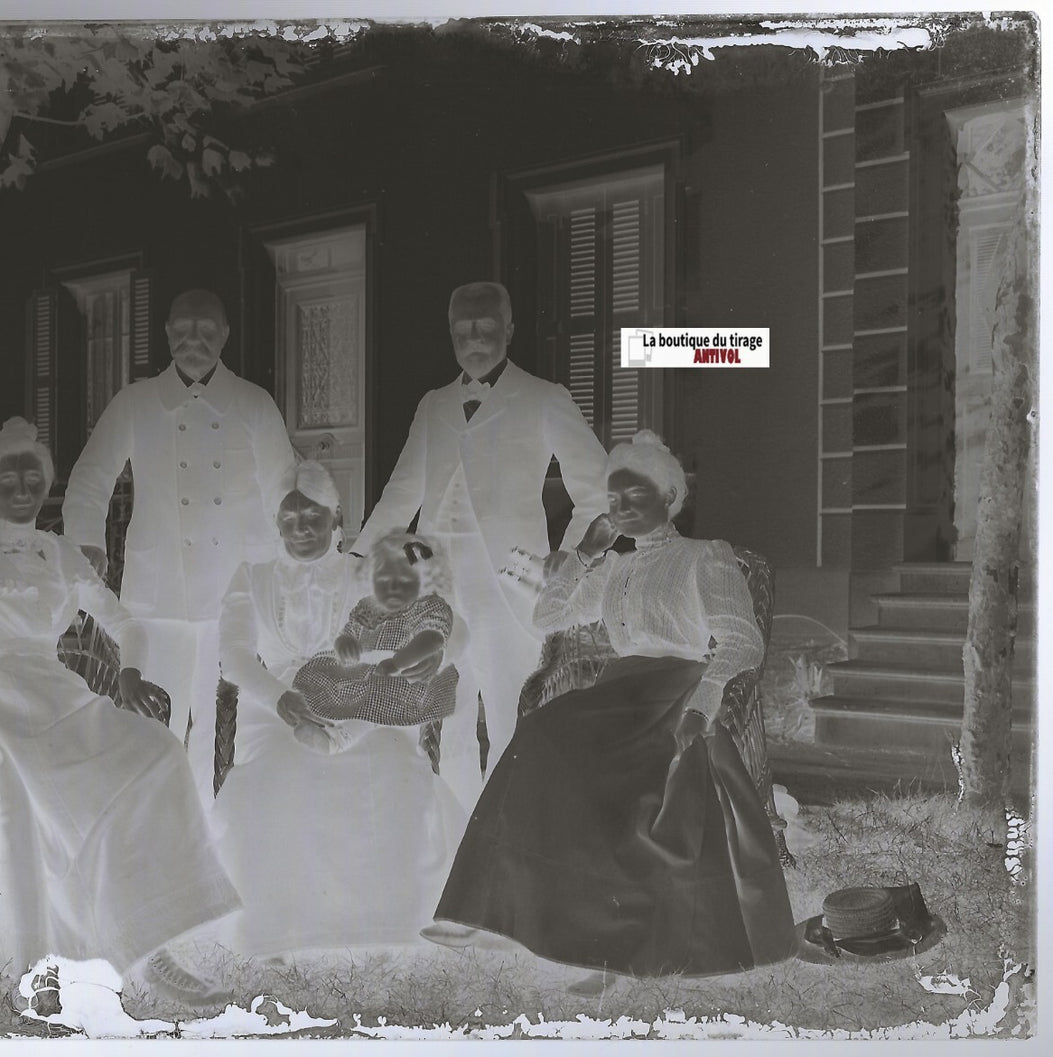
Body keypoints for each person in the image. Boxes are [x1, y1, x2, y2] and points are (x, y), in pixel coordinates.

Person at [0, 418, 240, 1007]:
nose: (23, 484)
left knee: (157, 751)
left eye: (33, 473)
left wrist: (129, 674)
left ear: (46, 483)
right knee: (52, 789)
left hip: (60, 692)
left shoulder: (62, 556)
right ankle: (133, 952)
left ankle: (153, 933)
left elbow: (125, 623)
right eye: (9, 474)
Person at [424, 431, 797, 985]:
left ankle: (614, 947)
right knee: (541, 735)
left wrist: (703, 702)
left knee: (620, 775)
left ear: (670, 498)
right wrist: (584, 553)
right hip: (619, 687)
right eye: (614, 498)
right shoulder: (616, 568)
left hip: (676, 686)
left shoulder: (705, 557)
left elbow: (742, 641)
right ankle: (493, 911)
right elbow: (547, 619)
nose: (621, 508)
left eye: (636, 497)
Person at [355, 281, 608, 813]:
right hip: (438, 588)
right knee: (446, 715)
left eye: (486, 326)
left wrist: (568, 560)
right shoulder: (434, 405)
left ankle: (509, 836)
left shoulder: (544, 398)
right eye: (462, 329)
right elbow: (401, 492)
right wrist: (357, 560)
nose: (475, 338)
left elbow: (599, 492)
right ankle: (457, 838)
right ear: (450, 333)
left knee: (510, 711)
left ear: (509, 329)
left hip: (510, 586)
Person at [213, 462, 464, 958]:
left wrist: (429, 655)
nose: (301, 527)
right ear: (277, 524)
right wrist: (279, 698)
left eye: (313, 515)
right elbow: (236, 656)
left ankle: (391, 923)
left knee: (392, 759)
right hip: (279, 699)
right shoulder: (252, 577)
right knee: (283, 768)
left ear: (336, 520)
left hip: (358, 696)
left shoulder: (368, 573)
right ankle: (283, 928)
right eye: (289, 518)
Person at [63, 289, 297, 808]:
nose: (195, 340)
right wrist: (86, 541)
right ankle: (155, 828)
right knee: (153, 720)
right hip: (158, 589)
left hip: (234, 590)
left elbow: (284, 485)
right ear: (167, 334)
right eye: (184, 330)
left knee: (220, 723)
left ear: (225, 335)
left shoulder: (254, 403)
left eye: (207, 330)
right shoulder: (136, 402)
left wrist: (292, 559)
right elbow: (89, 478)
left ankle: (210, 831)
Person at [290, 531, 459, 754]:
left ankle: (340, 739)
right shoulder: (369, 606)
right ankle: (319, 720)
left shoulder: (428, 605)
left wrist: (398, 662)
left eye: (405, 580)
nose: (392, 588)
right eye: (383, 579)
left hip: (405, 676)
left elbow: (432, 639)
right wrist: (345, 644)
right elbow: (349, 632)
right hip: (364, 671)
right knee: (324, 673)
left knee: (381, 694)